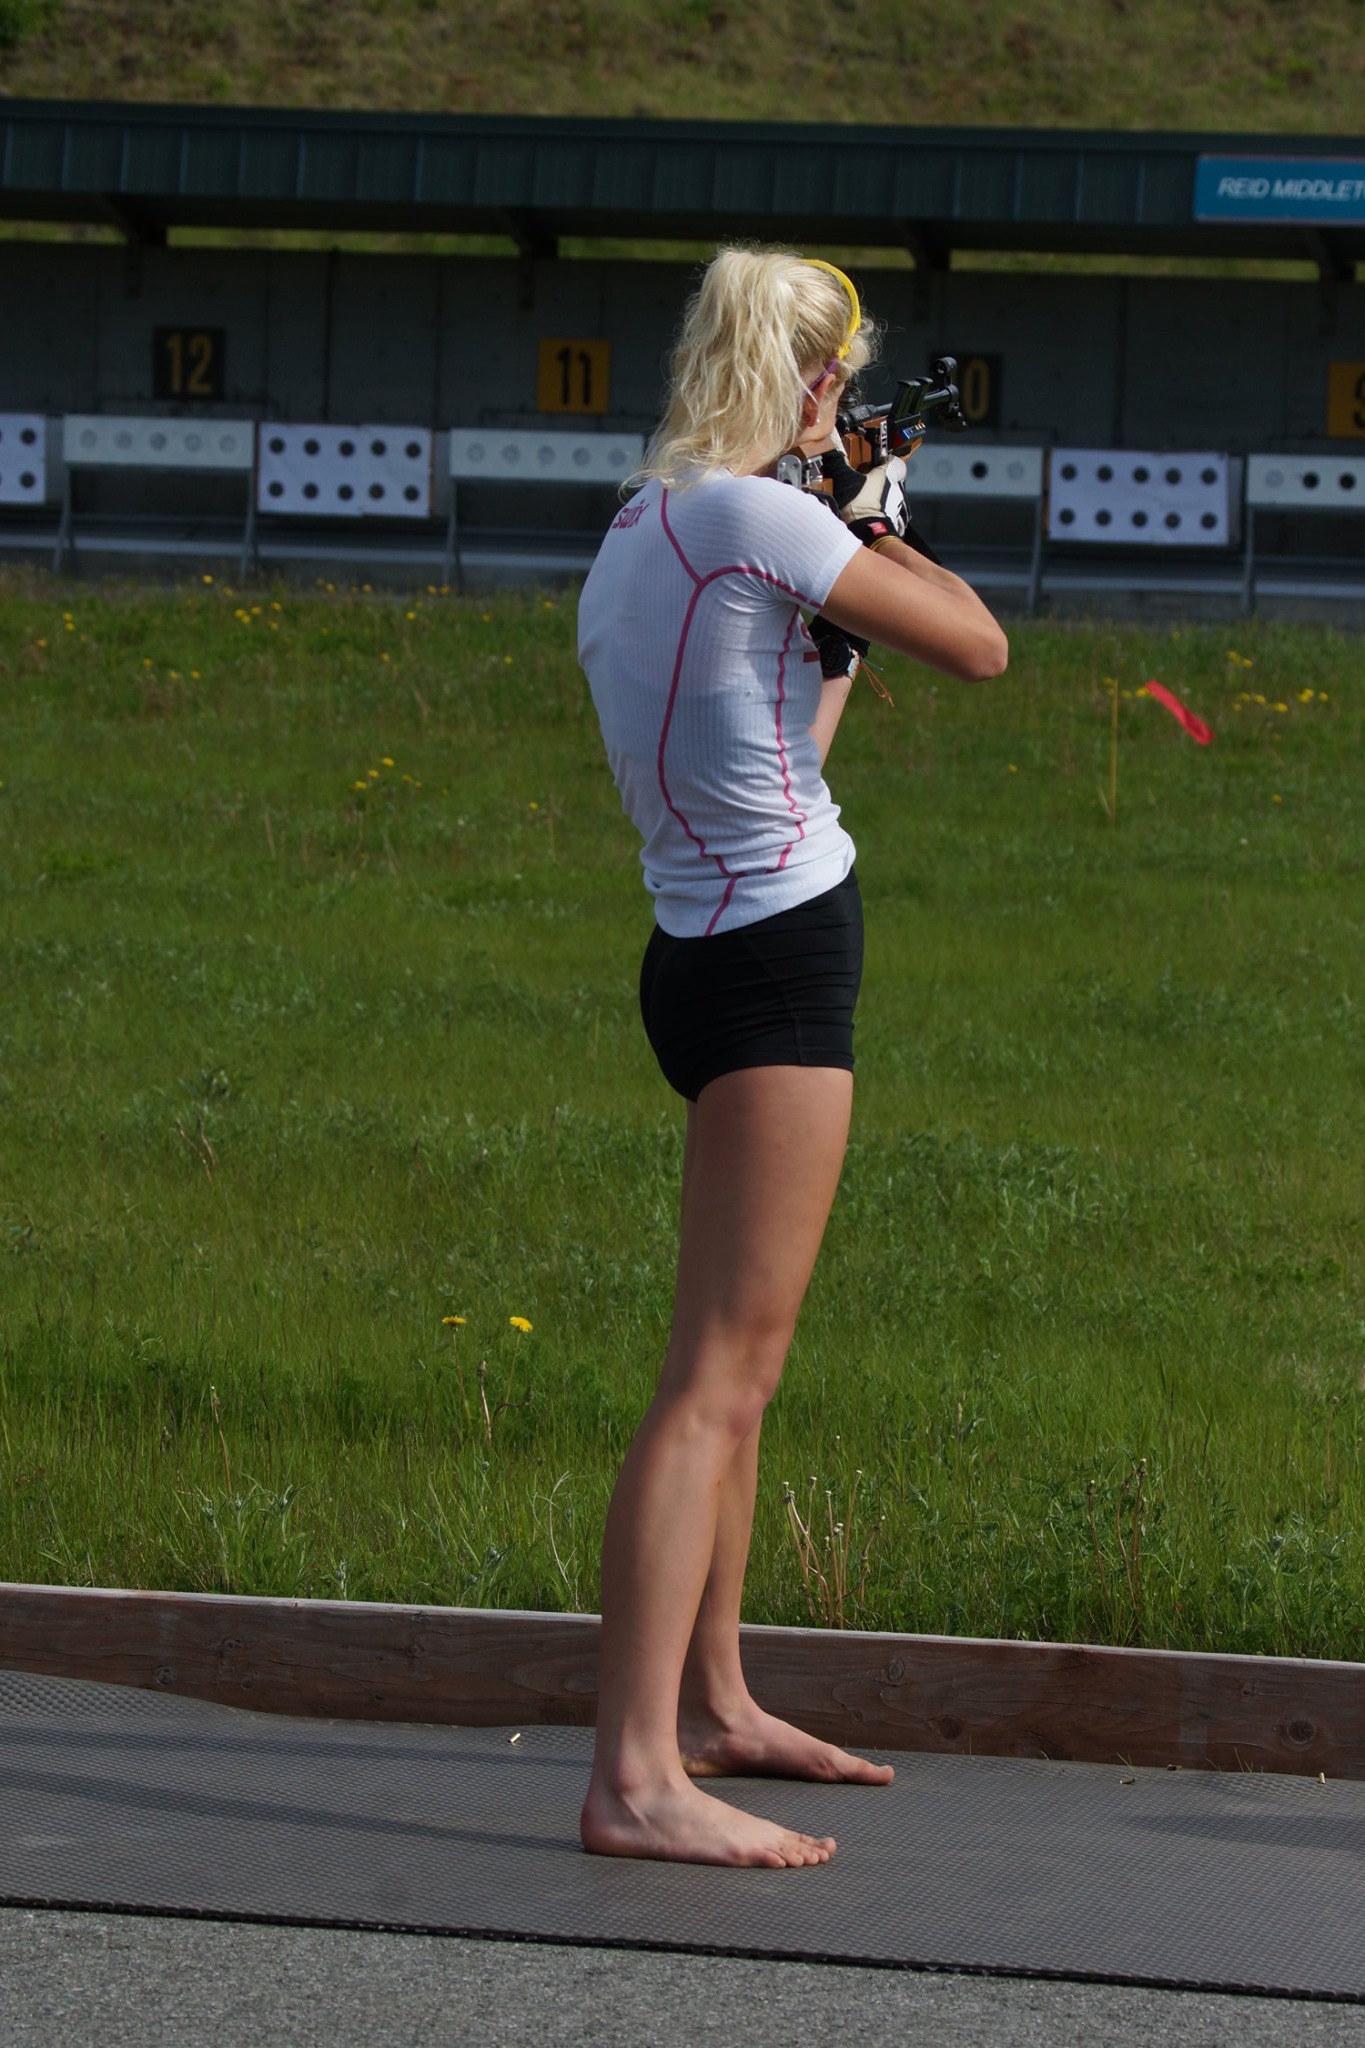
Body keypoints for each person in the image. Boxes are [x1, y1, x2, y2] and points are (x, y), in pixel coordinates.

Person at [575, 247, 1008, 1869]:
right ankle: (634, 1777)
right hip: (773, 967)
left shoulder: (650, 520)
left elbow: (772, 742)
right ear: (817, 380)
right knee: (714, 1385)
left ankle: (715, 1705)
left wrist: (834, 615)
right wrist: (871, 521)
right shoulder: (769, 520)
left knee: (735, 1383)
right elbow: (983, 647)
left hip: (701, 952)